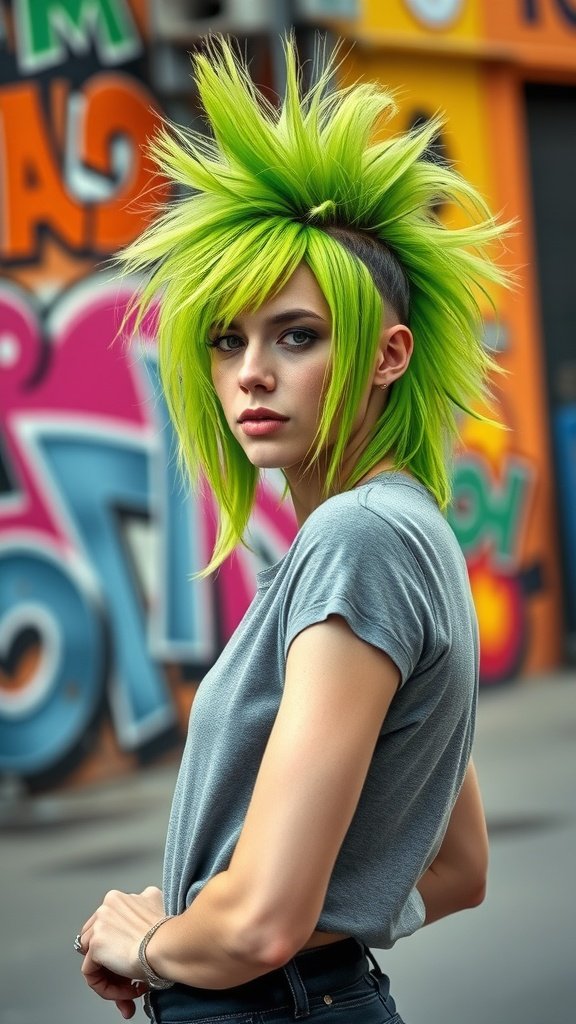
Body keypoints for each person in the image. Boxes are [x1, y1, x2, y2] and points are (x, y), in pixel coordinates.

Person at [75, 37, 507, 1024]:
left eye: (296, 335)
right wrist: (219, 934)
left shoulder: (359, 539)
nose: (250, 373)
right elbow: (456, 861)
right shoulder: (402, 529)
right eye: (228, 338)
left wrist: (153, 941)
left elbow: (261, 925)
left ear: (389, 353)